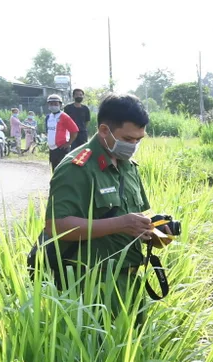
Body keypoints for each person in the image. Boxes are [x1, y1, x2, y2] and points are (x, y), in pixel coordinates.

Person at [43, 93, 152, 303]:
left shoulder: (128, 166)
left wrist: (151, 227)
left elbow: (132, 216)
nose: (134, 146)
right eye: (128, 139)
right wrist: (120, 224)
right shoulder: (77, 167)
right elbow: (56, 226)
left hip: (129, 282)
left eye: (139, 140)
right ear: (104, 130)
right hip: (91, 286)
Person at [45, 94, 79, 170]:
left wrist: (69, 143)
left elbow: (74, 131)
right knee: (54, 169)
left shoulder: (64, 116)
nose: (53, 106)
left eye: (55, 104)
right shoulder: (48, 117)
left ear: (60, 105)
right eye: (51, 104)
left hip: (61, 149)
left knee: (62, 170)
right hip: (52, 149)